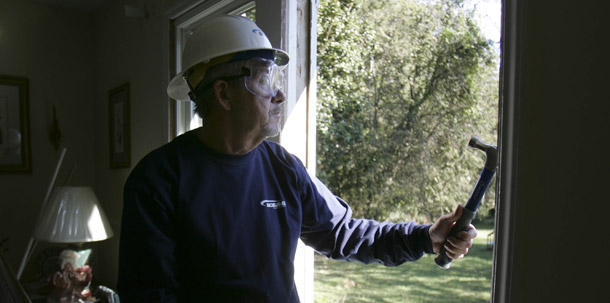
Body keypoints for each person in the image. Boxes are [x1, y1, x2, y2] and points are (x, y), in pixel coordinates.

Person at [117, 15, 477, 303]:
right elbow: (150, 295)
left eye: (277, 78)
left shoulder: (283, 167)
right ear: (223, 93)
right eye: (264, 79)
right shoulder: (157, 181)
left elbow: (342, 232)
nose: (278, 95)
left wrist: (426, 237)